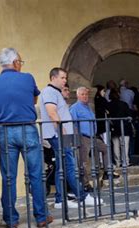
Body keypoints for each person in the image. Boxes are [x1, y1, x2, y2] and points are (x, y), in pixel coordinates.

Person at [0, 47, 52, 228]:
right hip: (27, 129)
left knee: (8, 176)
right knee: (36, 174)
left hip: (5, 131)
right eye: (20, 62)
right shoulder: (27, 78)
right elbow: (33, 100)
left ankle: (11, 219)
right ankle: (41, 216)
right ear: (16, 62)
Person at [39, 67, 101, 209]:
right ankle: (82, 196)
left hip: (60, 134)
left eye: (65, 78)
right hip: (58, 135)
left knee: (62, 166)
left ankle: (60, 200)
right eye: (62, 78)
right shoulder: (49, 92)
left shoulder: (55, 92)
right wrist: (62, 130)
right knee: (70, 165)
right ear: (53, 78)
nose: (65, 80)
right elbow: (51, 112)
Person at [70, 87, 120, 191]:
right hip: (83, 137)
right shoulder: (74, 107)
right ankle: (85, 184)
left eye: (86, 94)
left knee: (105, 148)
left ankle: (107, 171)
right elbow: (73, 123)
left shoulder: (88, 107)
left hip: (92, 136)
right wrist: (77, 137)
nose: (85, 96)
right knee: (83, 161)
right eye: (83, 94)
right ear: (78, 95)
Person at [108, 89, 133, 166]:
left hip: (114, 128)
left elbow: (108, 117)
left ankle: (117, 162)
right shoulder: (124, 104)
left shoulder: (108, 105)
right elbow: (129, 116)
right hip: (124, 127)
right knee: (125, 146)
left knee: (116, 146)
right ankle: (125, 162)